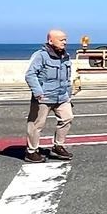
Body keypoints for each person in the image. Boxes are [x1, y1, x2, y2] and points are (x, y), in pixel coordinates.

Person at [24, 29, 75, 162]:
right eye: (61, 40)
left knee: (67, 118)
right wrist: (38, 92)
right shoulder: (41, 56)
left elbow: (67, 77)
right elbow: (30, 75)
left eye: (65, 39)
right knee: (36, 125)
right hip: (44, 97)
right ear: (50, 41)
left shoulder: (65, 56)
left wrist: (69, 94)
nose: (65, 42)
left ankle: (58, 146)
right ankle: (31, 151)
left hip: (62, 96)